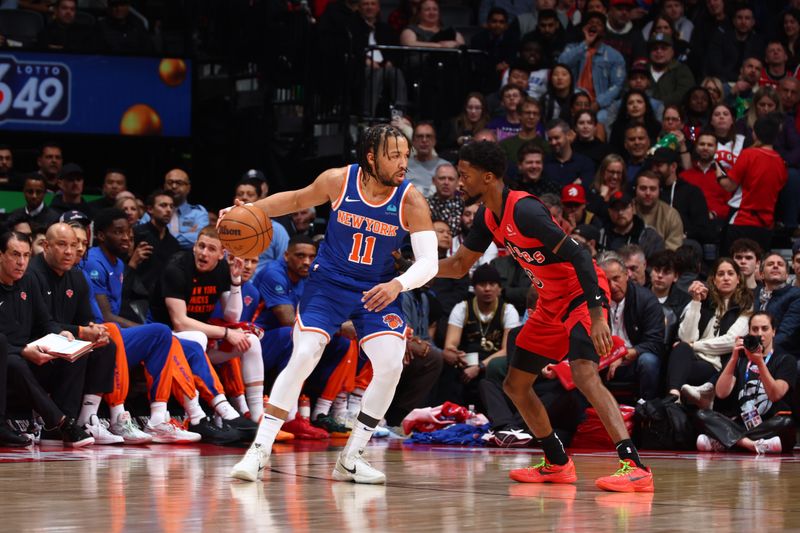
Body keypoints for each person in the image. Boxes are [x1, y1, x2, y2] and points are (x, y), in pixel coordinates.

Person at [438, 141, 654, 492]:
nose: (459, 182)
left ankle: (635, 466)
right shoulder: (488, 217)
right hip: (552, 303)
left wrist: (598, 315)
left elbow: (582, 257)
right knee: (515, 383)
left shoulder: (524, 210)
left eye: (464, 175)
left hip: (581, 294)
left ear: (488, 177)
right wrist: (408, 274)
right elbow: (460, 264)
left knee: (584, 374)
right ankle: (556, 462)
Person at [230, 124, 438, 484]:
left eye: (406, 155)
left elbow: (429, 263)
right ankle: (259, 450)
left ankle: (352, 457)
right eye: (395, 156)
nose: (404, 163)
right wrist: (249, 210)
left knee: (390, 364)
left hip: (378, 289)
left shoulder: (411, 200)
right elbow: (295, 200)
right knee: (306, 352)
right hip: (328, 285)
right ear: (372, 157)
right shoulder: (339, 180)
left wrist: (397, 285)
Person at [694, 312, 796, 454]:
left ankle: (726, 440)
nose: (759, 334)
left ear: (774, 332)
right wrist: (734, 358)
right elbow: (721, 393)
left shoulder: (785, 360)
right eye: (755, 329)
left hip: (768, 424)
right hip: (741, 424)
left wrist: (760, 362)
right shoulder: (741, 359)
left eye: (764, 328)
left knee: (786, 423)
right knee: (701, 414)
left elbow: (775, 395)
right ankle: (752, 444)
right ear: (748, 333)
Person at [668, 257, 753, 401]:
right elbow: (686, 337)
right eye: (721, 274)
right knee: (681, 348)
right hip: (692, 358)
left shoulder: (745, 305)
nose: (726, 278)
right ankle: (674, 397)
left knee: (680, 359)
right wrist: (696, 302)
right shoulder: (704, 300)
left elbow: (732, 341)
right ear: (713, 280)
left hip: (716, 365)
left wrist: (694, 346)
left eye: (730, 274)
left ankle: (686, 397)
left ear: (738, 279)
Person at [438, 264, 520, 409]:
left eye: (492, 284)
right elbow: (450, 344)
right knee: (446, 363)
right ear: (474, 288)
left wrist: (480, 367)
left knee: (498, 369)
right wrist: (454, 353)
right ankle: (450, 413)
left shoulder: (508, 310)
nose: (487, 288)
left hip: (493, 360)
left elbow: (507, 350)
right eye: (482, 284)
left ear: (499, 288)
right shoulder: (462, 308)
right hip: (467, 359)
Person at [597, 252, 664, 401]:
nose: (612, 286)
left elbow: (655, 343)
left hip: (633, 359)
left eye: (616, 279)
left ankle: (647, 409)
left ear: (627, 275)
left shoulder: (647, 300)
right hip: (602, 360)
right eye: (606, 281)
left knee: (649, 361)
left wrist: (621, 355)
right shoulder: (595, 303)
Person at [717, 115, 788, 254]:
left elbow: (729, 185)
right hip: (765, 226)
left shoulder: (748, 154)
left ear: (754, 133)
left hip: (742, 220)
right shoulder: (781, 163)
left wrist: (719, 173)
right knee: (757, 268)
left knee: (733, 267)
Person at [558, 11, 626, 127]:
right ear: (584, 28)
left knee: (601, 118)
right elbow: (562, 64)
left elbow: (617, 85)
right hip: (572, 102)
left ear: (604, 32)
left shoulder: (614, 55)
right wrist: (585, 44)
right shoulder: (572, 48)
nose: (594, 25)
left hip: (601, 105)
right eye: (590, 23)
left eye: (598, 24)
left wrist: (599, 103)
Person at [140, 169, 209, 250]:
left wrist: (163, 238)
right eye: (170, 182)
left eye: (179, 183)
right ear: (164, 186)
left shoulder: (199, 214)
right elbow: (142, 236)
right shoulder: (153, 212)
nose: (174, 186)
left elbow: (200, 240)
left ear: (188, 188)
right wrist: (187, 235)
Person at [599, 191, 665, 258]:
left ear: (633, 208)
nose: (620, 213)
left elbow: (656, 266)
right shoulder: (601, 235)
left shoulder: (649, 237)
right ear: (609, 211)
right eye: (616, 209)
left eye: (624, 207)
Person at [542, 119, 596, 188]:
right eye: (550, 139)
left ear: (568, 135)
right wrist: (572, 186)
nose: (553, 142)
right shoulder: (544, 162)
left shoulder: (585, 163)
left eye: (556, 138)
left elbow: (585, 189)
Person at [407, 122, 448, 195]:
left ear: (434, 141)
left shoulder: (446, 167)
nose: (424, 140)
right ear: (413, 141)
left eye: (428, 136)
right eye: (420, 136)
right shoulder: (403, 166)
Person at [426, 163, 464, 238]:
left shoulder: (465, 207)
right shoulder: (424, 205)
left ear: (457, 182)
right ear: (434, 181)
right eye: (442, 178)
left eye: (451, 179)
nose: (446, 182)